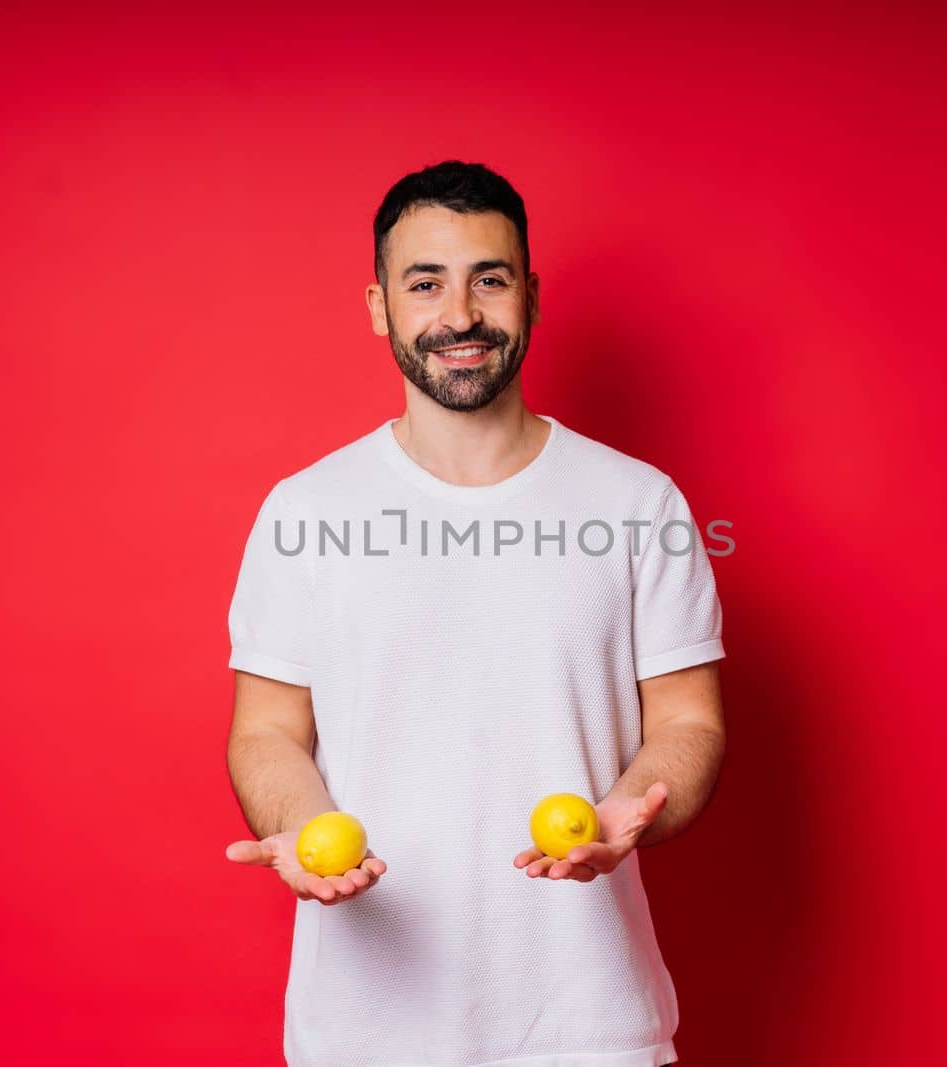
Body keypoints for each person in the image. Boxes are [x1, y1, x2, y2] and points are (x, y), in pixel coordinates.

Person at [224, 160, 724, 1067]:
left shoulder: (640, 503)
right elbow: (266, 734)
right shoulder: (305, 512)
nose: (459, 315)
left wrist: (628, 808)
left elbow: (688, 720)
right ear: (380, 306)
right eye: (426, 283)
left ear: (528, 296)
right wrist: (303, 832)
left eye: (488, 279)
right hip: (362, 1034)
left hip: (591, 1029)